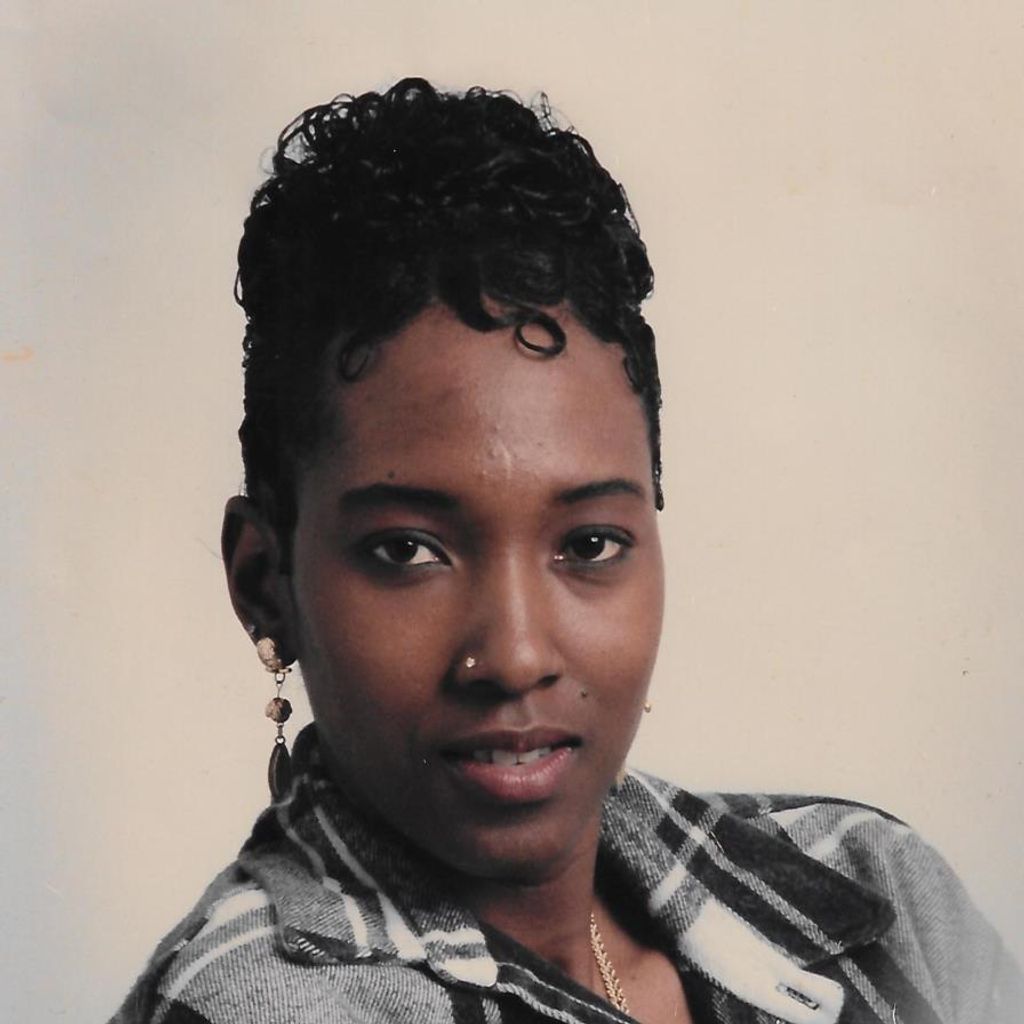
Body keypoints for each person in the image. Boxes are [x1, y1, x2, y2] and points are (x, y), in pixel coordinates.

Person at [112, 78, 1020, 1024]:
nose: (515, 656)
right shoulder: (252, 1007)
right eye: (407, 551)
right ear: (266, 583)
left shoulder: (878, 889)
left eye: (589, 543)